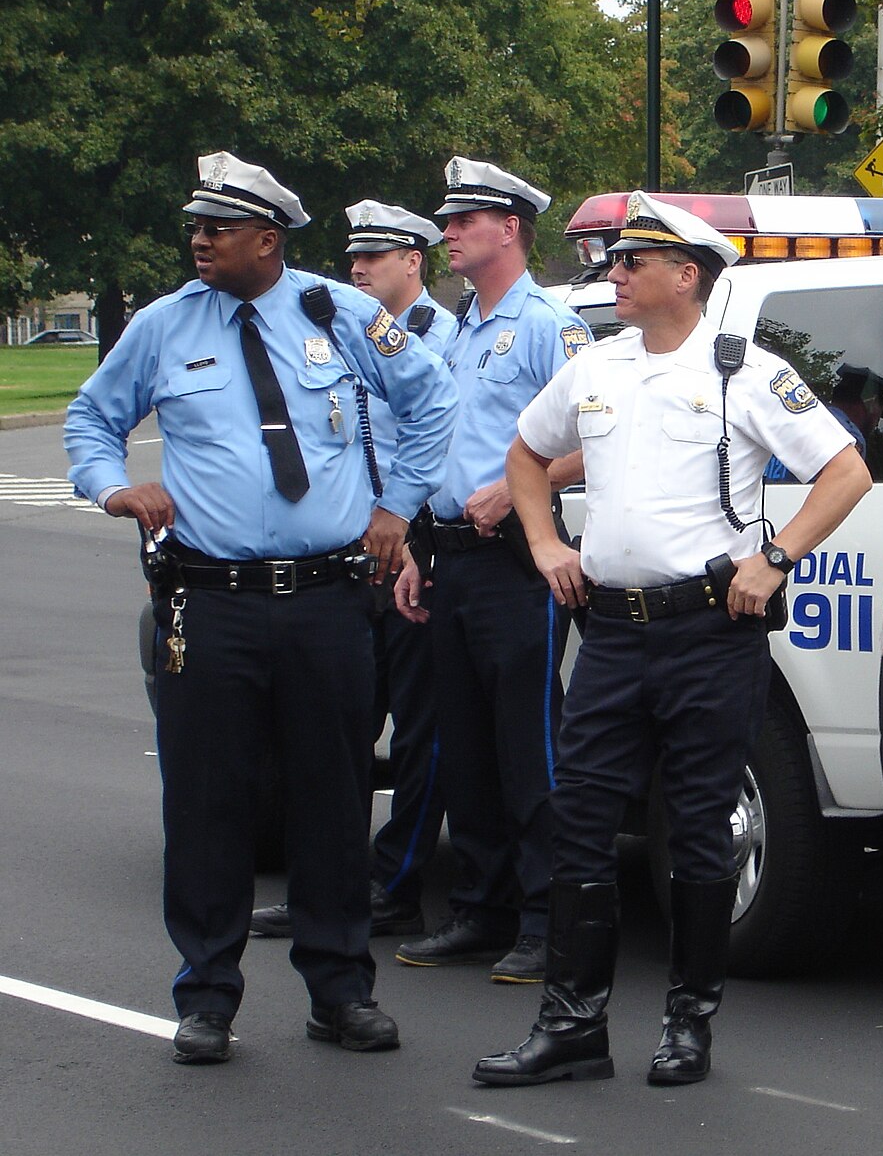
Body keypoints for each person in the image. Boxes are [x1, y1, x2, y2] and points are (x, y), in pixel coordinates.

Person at [63, 152, 459, 1065]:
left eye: (218, 229)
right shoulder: (163, 326)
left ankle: (339, 991)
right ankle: (205, 997)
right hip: (211, 600)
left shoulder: (341, 312)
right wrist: (114, 487)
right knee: (207, 804)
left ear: (267, 240)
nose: (199, 240)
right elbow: (92, 420)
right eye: (196, 227)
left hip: (327, 600)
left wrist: (398, 505)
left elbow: (431, 397)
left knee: (330, 797)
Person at [476, 192, 871, 1088]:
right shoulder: (597, 368)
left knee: (696, 831)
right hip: (612, 631)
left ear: (684, 277)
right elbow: (527, 456)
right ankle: (572, 1026)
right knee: (578, 820)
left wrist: (775, 556)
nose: (612, 275)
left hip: (708, 632)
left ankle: (688, 1026)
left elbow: (846, 470)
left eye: (630, 264)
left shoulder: (744, 371)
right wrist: (544, 545)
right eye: (613, 262)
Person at [391, 157, 592, 985]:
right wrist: (411, 541)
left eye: (462, 221)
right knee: (464, 746)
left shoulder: (548, 323)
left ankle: (549, 920)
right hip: (448, 554)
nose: (447, 234)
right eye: (447, 221)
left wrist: (522, 490)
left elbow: (602, 434)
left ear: (508, 228)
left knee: (528, 751)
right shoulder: (456, 327)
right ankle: (482, 908)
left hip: (516, 564)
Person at [249, 200, 456, 942]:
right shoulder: (334, 328)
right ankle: (321, 889)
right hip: (345, 557)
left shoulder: (443, 338)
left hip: (413, 546)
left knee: (416, 733)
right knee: (330, 734)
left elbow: (446, 436)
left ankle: (395, 884)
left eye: (377, 256)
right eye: (354, 257)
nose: (359, 269)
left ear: (414, 262)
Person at [762, 361, 883, 482]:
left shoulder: (798, 419)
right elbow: (840, 491)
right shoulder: (846, 438)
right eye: (878, 414)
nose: (877, 423)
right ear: (871, 404)